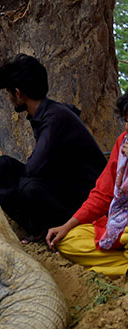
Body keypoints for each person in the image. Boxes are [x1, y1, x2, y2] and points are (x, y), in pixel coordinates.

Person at [0, 54, 106, 242]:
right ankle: (38, 229)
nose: (10, 98)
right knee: (2, 167)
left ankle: (48, 229)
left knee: (28, 187)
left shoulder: (55, 117)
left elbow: (34, 169)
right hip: (64, 186)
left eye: (9, 93)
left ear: (18, 93)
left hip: (87, 200)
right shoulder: (48, 113)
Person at [45, 94, 128, 276]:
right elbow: (102, 194)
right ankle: (123, 268)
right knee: (69, 240)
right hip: (121, 226)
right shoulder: (122, 142)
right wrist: (67, 226)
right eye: (126, 119)